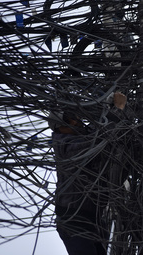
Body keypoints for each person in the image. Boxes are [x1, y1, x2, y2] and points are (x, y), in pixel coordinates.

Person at [48, 92, 127, 255]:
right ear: (61, 125)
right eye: (73, 119)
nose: (78, 122)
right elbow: (97, 140)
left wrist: (108, 108)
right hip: (73, 220)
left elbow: (95, 131)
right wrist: (117, 110)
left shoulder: (78, 137)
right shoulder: (64, 145)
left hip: (93, 219)